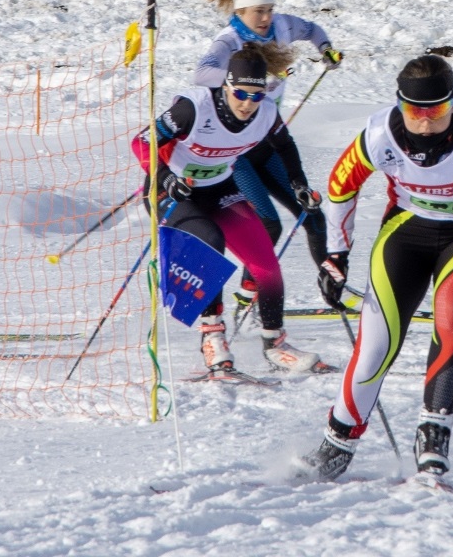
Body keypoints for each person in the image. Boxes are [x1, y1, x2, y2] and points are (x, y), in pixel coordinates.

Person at [300, 54, 453, 483]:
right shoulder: (380, 134)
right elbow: (342, 186)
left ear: (452, 103)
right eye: (413, 110)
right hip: (406, 232)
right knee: (376, 344)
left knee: (452, 314)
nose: (424, 121)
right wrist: (337, 254)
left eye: (435, 110)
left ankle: (433, 436)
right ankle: (337, 444)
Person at [133, 45, 328, 375]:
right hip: (173, 190)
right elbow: (142, 141)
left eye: (256, 94)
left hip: (219, 189)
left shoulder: (265, 112)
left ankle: (274, 343)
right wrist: (165, 179)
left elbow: (286, 146)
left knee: (264, 262)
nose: (248, 103)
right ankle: (213, 335)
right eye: (240, 93)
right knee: (210, 240)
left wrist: (299, 185)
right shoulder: (194, 108)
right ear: (226, 86)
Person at [193, 0, 342, 321]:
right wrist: (251, 79)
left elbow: (313, 30)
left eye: (269, 9)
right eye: (258, 11)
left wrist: (326, 49)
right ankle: (248, 292)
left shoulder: (283, 26)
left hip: (270, 137)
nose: (266, 18)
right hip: (237, 151)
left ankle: (334, 288)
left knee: (312, 214)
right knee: (268, 223)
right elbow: (201, 74)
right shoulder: (227, 40)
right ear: (240, 12)